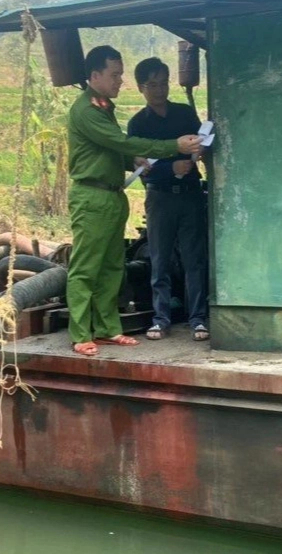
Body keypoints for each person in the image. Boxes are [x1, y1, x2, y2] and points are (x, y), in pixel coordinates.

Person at [66, 46, 202, 357]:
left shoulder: (103, 107)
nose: (119, 81)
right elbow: (119, 141)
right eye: (114, 75)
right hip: (92, 195)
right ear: (95, 75)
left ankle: (107, 328)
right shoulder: (86, 110)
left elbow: (112, 150)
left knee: (114, 265)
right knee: (87, 267)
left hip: (112, 194)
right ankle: (80, 333)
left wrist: (132, 160)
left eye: (120, 75)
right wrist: (173, 146)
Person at [127, 57, 209, 341]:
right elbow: (140, 168)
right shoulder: (137, 123)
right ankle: (160, 319)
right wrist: (168, 168)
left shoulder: (184, 113)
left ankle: (197, 318)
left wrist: (199, 153)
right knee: (159, 259)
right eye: (152, 85)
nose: (159, 90)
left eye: (163, 83)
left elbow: (201, 141)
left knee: (193, 259)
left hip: (190, 195)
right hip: (159, 197)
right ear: (141, 87)